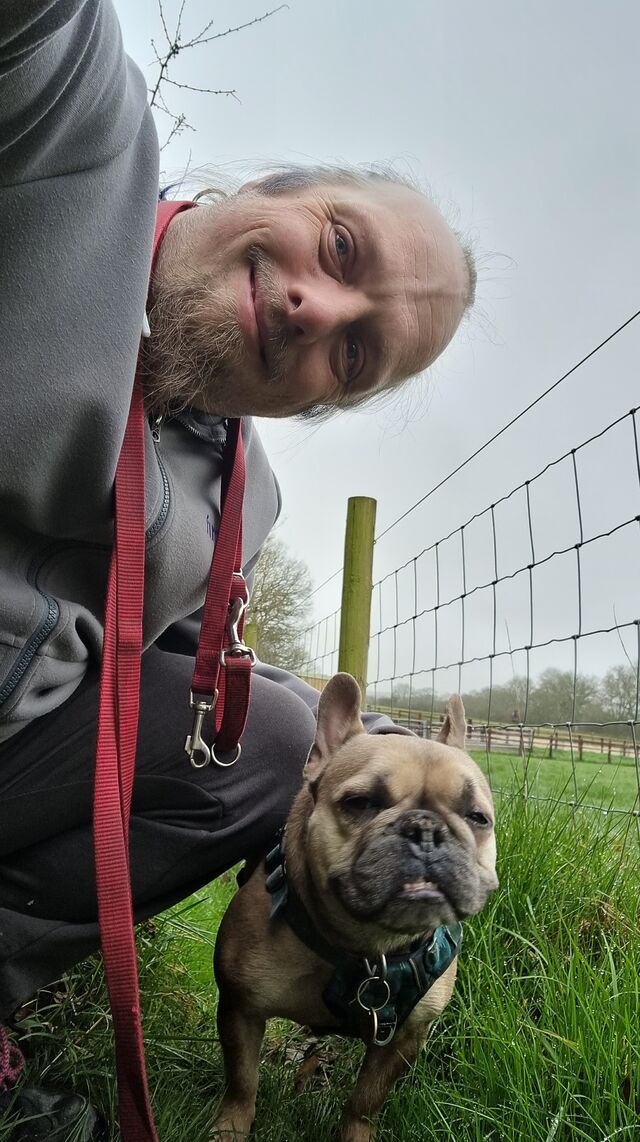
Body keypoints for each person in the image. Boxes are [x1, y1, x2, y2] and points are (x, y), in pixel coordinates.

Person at [0, 0, 474, 1133]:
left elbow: (163, 686)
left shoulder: (242, 499)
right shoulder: (75, 144)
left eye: (354, 353)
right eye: (339, 242)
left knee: (268, 730)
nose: (317, 301)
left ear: (324, 402)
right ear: (257, 189)